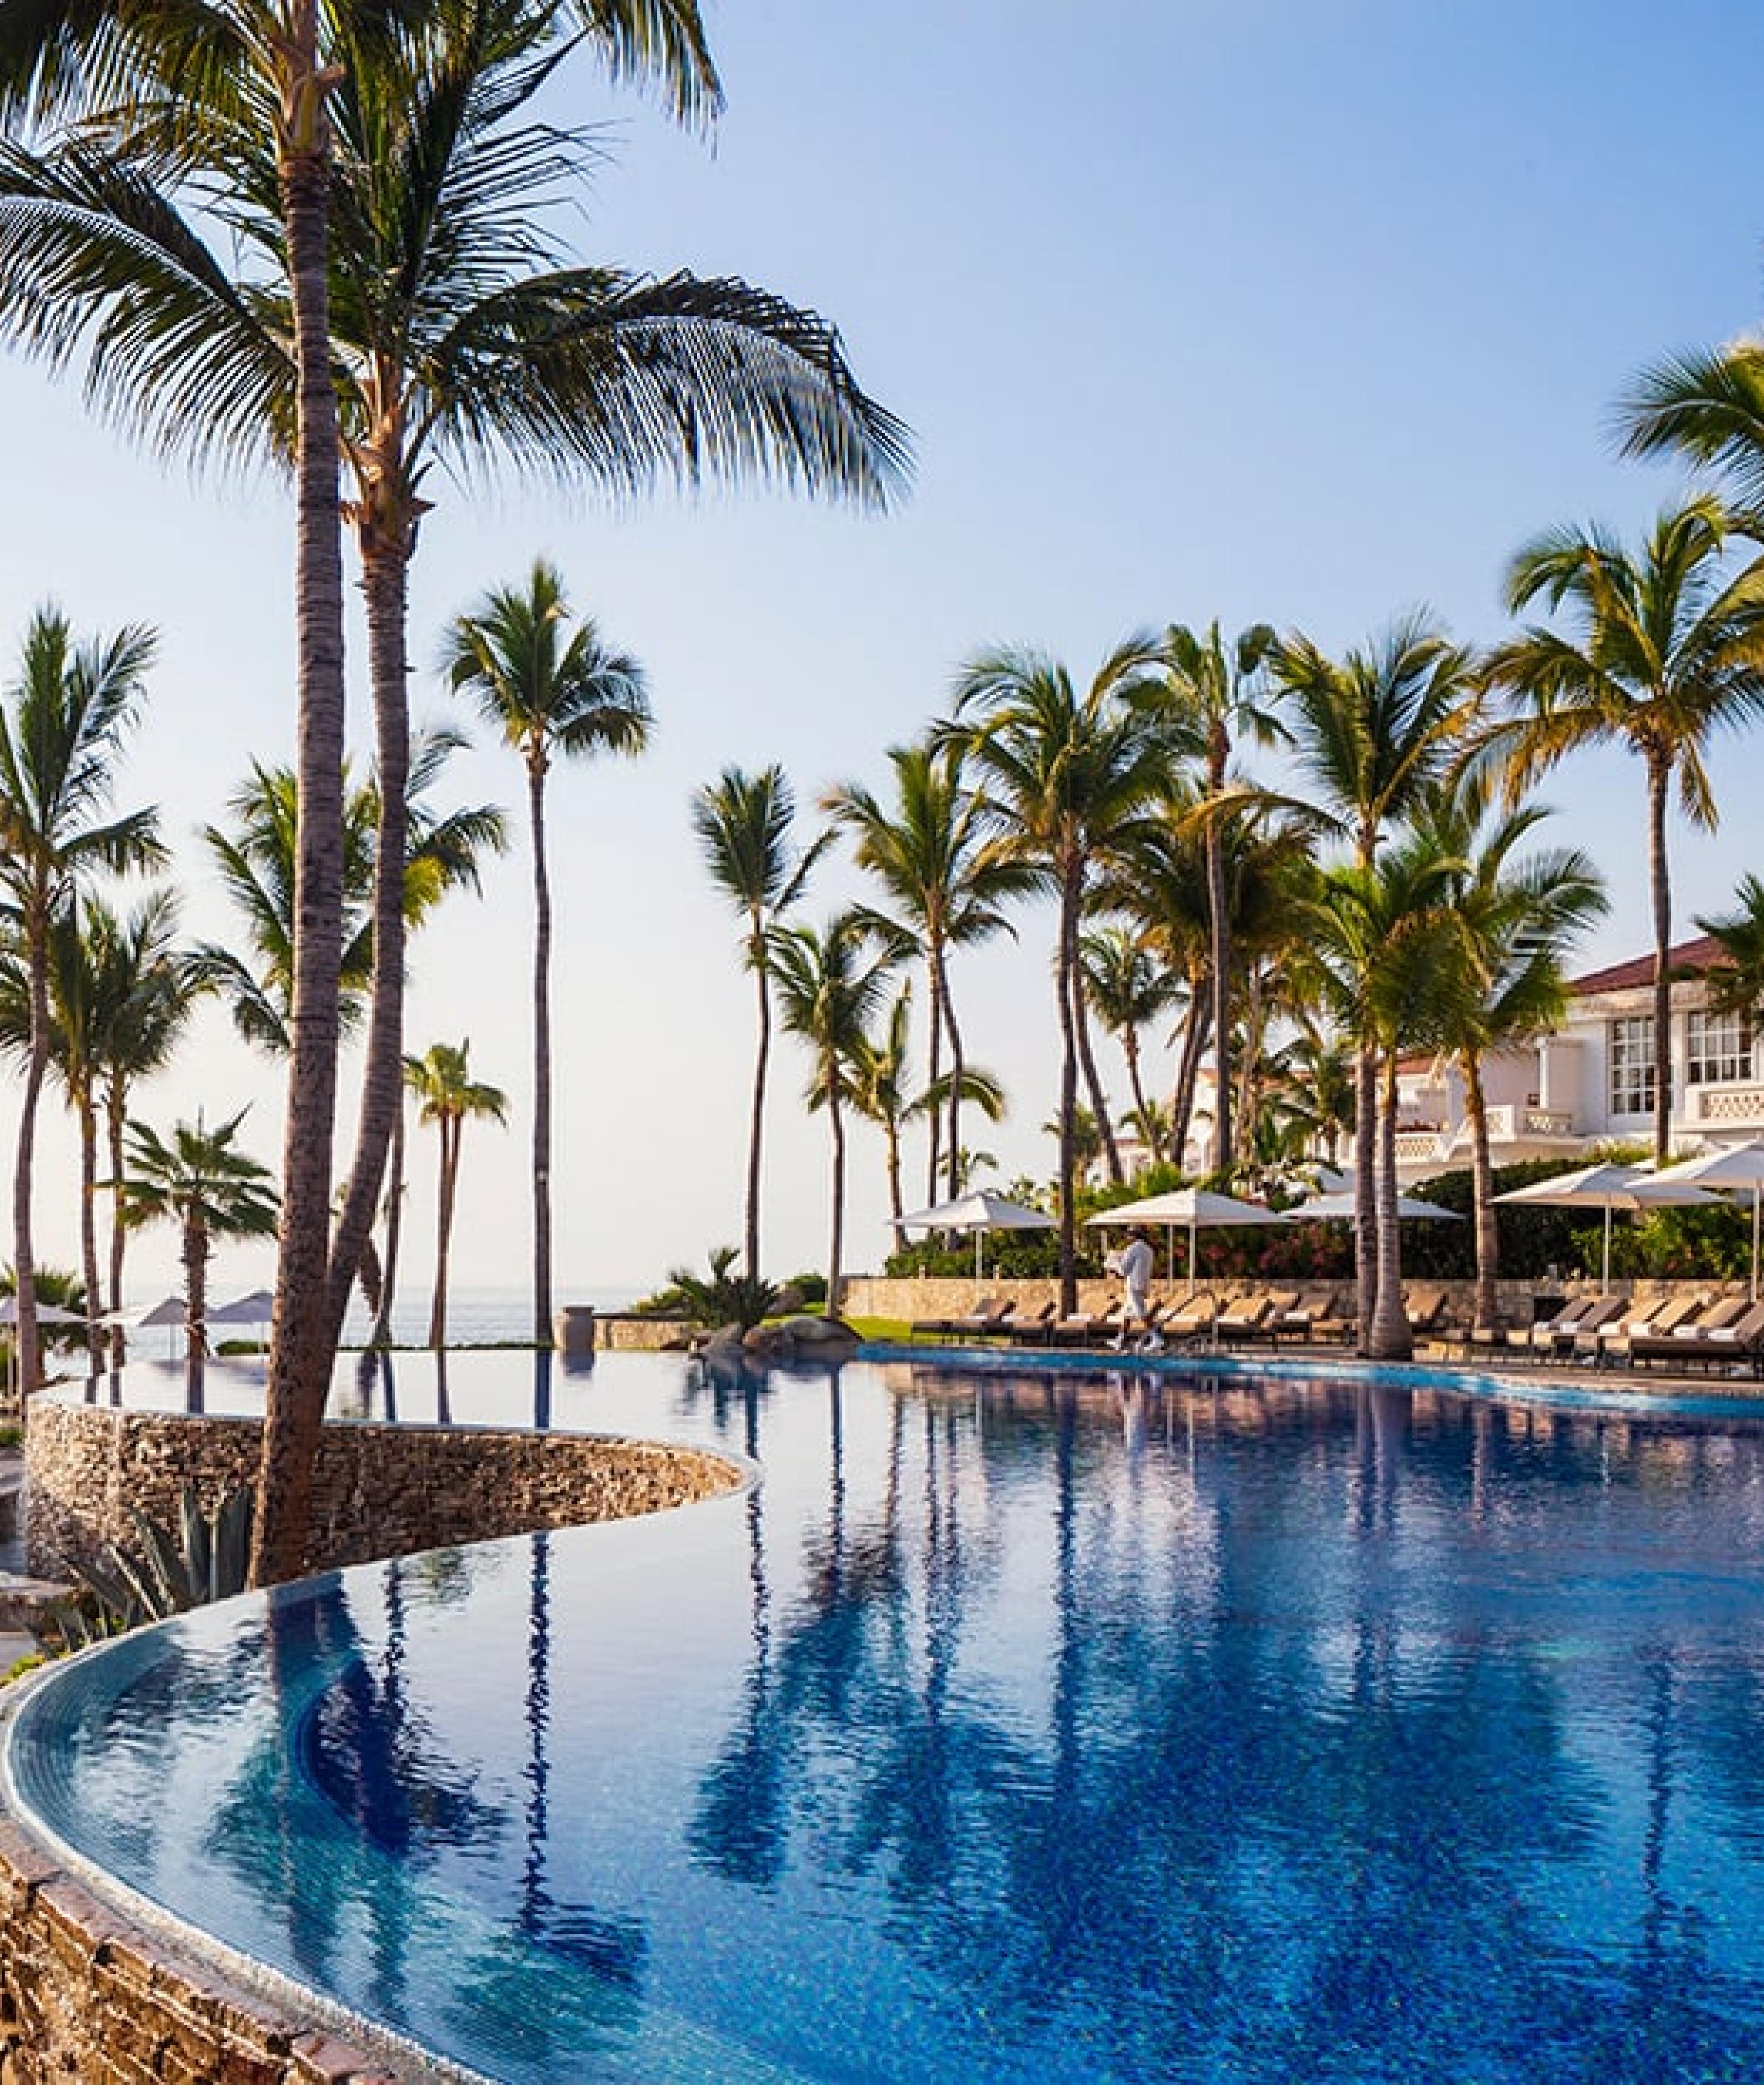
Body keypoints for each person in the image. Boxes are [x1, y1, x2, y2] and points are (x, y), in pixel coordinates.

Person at [1110, 1228, 1158, 1350]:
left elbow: (1124, 1270)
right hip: (1142, 1284)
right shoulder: (1148, 1249)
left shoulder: (1132, 1249)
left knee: (1141, 1313)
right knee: (1128, 1313)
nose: (1127, 1238)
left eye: (1128, 1235)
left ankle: (1156, 1338)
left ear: (1133, 1236)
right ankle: (1120, 1340)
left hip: (1134, 1286)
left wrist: (1114, 1262)